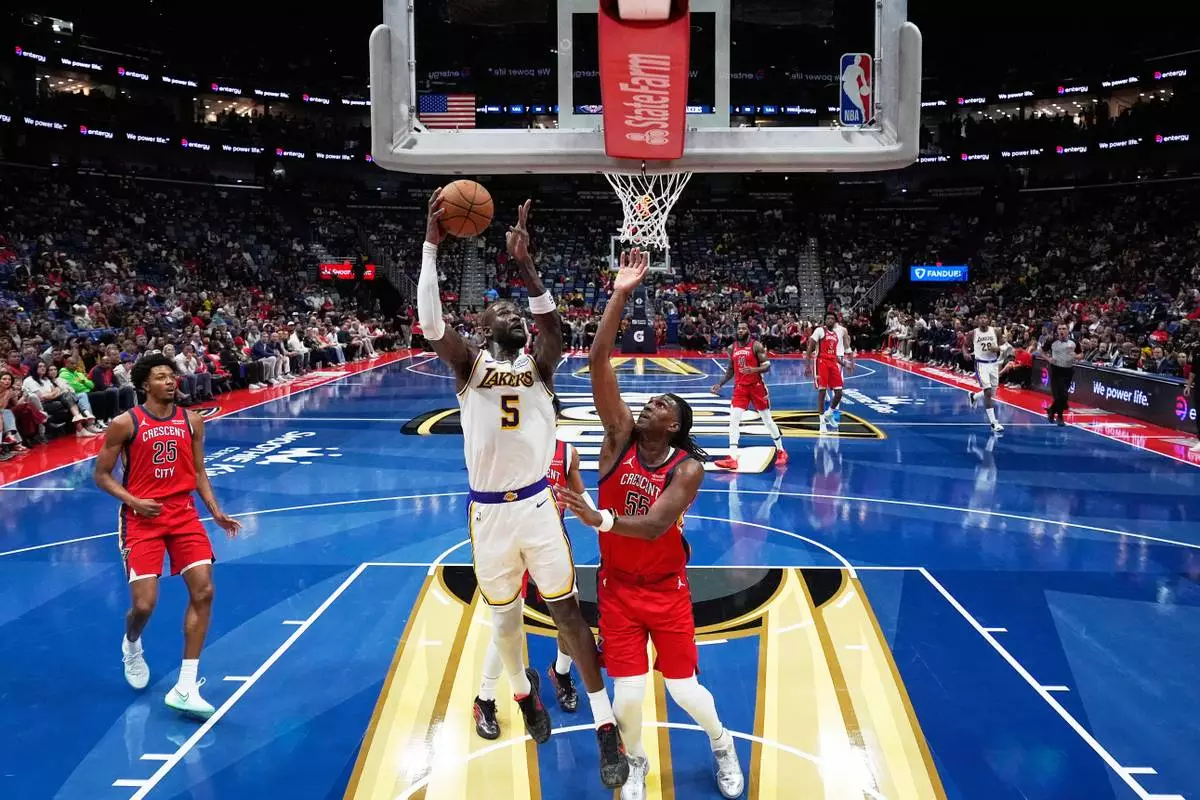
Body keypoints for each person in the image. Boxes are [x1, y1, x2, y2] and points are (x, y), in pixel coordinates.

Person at [417, 189, 628, 789]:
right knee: (506, 623)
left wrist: (526, 265)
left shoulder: (539, 366)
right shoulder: (469, 367)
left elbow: (553, 329)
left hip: (538, 506)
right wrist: (431, 246)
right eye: (502, 311)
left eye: (517, 311)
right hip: (488, 516)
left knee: (568, 613)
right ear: (483, 329)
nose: (513, 315)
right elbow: (431, 324)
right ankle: (520, 693)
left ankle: (604, 725)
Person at [554, 250, 744, 800]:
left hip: (667, 590)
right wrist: (620, 292)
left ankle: (722, 743)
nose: (649, 403)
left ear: (676, 424)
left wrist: (601, 518)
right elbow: (598, 361)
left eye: (661, 404)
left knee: (685, 690)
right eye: (650, 399)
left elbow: (658, 525)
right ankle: (635, 759)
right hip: (617, 590)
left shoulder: (687, 468)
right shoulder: (618, 439)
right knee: (629, 695)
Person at [93, 354, 242, 719]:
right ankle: (132, 643)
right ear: (145, 384)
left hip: (183, 515)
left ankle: (186, 686)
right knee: (144, 605)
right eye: (161, 376)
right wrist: (134, 501)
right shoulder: (125, 423)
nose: (170, 381)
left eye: (172, 375)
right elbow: (102, 475)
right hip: (141, 519)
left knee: (204, 591)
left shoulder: (192, 421)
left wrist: (215, 510)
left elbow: (199, 472)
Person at [475, 432, 586, 738]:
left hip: (549, 541)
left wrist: (602, 523)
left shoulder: (566, 453)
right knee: (506, 625)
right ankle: (485, 698)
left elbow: (581, 497)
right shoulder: (502, 446)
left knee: (570, 615)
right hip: (508, 541)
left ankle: (560, 672)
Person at [710, 321, 787, 470]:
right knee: (734, 420)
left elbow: (767, 365)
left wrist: (754, 370)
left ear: (748, 331)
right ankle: (732, 458)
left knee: (767, 420)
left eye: (743, 328)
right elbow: (731, 370)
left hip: (757, 387)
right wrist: (720, 384)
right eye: (739, 328)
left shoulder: (756, 346)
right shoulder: (732, 348)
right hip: (740, 388)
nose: (740, 330)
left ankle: (781, 450)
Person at [807, 313, 851, 429]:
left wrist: (844, 364)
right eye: (828, 318)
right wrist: (807, 366)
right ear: (825, 320)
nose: (830, 320)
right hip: (821, 362)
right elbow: (810, 347)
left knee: (839, 393)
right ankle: (822, 421)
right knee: (822, 391)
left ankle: (829, 413)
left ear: (835, 321)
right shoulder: (820, 331)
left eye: (832, 319)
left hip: (833, 363)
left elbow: (834, 354)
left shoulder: (835, 335)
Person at [963, 313, 1005, 433]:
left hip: (994, 364)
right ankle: (994, 423)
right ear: (977, 321)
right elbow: (964, 346)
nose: (983, 320)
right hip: (981, 364)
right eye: (980, 318)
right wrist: (965, 353)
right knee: (988, 392)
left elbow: (1004, 345)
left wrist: (999, 348)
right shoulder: (973, 333)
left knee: (992, 392)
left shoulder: (996, 331)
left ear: (988, 320)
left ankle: (974, 396)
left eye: (985, 318)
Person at [1043, 323, 1077, 427]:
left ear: (1068, 330)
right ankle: (1060, 417)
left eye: (1064, 328)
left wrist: (1076, 356)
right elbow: (1041, 351)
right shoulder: (1051, 341)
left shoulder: (1074, 342)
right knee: (1059, 395)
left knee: (1064, 395)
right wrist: (1048, 359)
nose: (1062, 330)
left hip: (1068, 370)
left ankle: (1051, 410)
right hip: (1056, 370)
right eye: (1059, 329)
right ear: (1057, 331)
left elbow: (1081, 354)